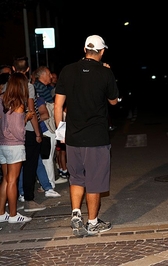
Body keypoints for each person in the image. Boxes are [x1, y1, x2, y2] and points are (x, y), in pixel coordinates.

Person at [54, 35, 119, 236]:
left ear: (84, 49)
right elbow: (114, 101)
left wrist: (60, 130)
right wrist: (108, 74)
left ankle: (75, 213)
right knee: (95, 181)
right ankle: (92, 222)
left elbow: (58, 104)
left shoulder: (67, 70)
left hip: (73, 136)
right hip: (96, 137)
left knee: (76, 178)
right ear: (101, 51)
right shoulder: (105, 73)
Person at [11, 56, 46, 212]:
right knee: (30, 165)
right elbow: (31, 111)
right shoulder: (28, 86)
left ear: (13, 69)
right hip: (28, 130)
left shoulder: (6, 87)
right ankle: (29, 199)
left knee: (10, 169)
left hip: (10, 131)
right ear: (27, 70)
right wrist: (38, 133)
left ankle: (9, 204)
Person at [0, 73, 34, 223]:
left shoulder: (2, 100)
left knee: (6, 180)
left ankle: (1, 213)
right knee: (13, 180)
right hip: (14, 145)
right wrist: (26, 118)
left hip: (3, 144)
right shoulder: (19, 104)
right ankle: (13, 215)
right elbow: (18, 131)